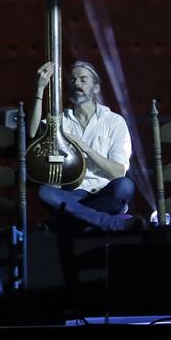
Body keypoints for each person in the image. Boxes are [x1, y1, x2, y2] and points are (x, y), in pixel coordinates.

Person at [29, 59, 136, 231]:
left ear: (96, 88)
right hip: (73, 195)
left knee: (125, 186)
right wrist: (40, 88)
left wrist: (84, 147)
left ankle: (70, 220)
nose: (76, 83)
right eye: (72, 80)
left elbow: (118, 172)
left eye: (83, 79)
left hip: (104, 194)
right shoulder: (61, 121)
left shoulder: (114, 121)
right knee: (45, 192)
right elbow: (32, 133)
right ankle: (108, 223)